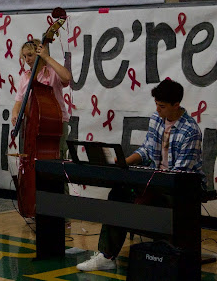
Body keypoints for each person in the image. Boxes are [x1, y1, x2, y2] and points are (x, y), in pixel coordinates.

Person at [76, 79, 206, 272]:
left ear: (176, 105)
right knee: (118, 194)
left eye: (162, 106)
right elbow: (146, 150)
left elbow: (180, 174)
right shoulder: (156, 119)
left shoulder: (191, 131)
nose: (158, 109)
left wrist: (150, 184)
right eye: (156, 105)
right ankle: (107, 256)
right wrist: (122, 163)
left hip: (181, 188)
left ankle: (168, 255)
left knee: (151, 204)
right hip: (156, 181)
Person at [11, 39, 72, 159]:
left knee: (56, 156)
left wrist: (47, 57)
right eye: (24, 56)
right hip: (32, 124)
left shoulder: (52, 71)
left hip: (55, 122)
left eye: (30, 55)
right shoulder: (25, 76)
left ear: (39, 53)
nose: (27, 60)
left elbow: (67, 77)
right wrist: (15, 113)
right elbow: (19, 100)